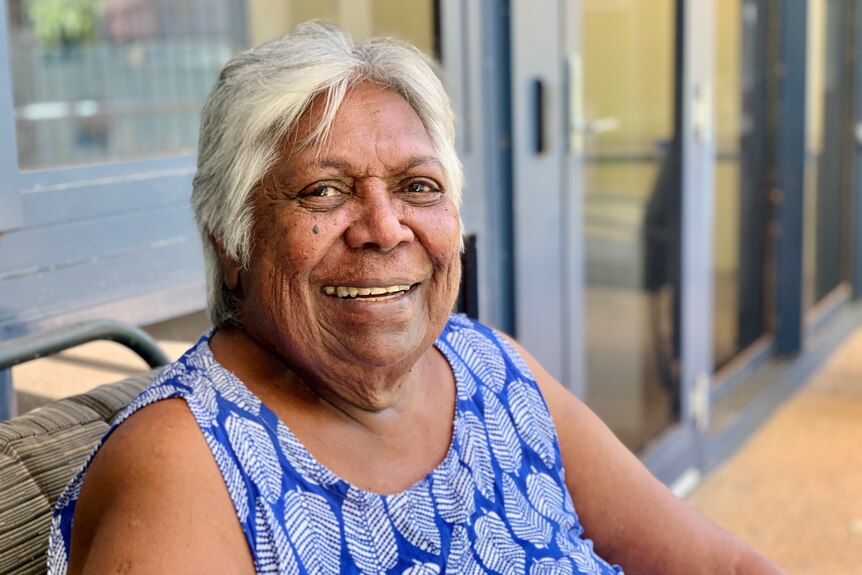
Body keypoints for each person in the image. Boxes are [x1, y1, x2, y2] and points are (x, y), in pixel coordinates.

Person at [49, 21, 784, 575]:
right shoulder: (185, 464)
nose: (383, 228)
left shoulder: (487, 365)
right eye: (324, 190)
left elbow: (722, 565)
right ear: (232, 245)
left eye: (417, 187)